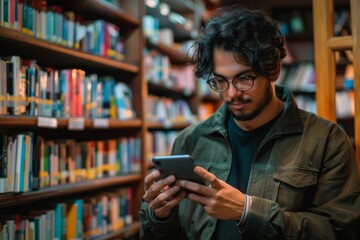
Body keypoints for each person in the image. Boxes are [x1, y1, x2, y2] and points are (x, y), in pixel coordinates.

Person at [140, 5, 360, 240]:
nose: (232, 93)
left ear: (273, 69)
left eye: (244, 78)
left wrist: (247, 211)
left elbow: (341, 231)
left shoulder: (326, 140)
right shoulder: (190, 140)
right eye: (220, 81)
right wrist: (159, 217)